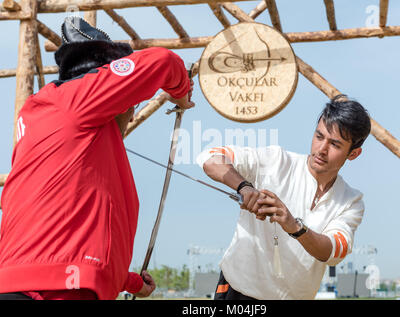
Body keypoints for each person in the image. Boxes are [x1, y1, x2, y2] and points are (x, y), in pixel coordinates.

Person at [0, 16, 194, 300]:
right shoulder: (78, 99)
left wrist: (131, 282)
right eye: (130, 102)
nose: (132, 112)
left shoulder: (35, 114)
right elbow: (163, 61)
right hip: (58, 287)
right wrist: (182, 92)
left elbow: (61, 230)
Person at [196, 95, 370, 299]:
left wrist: (294, 226)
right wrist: (244, 187)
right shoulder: (276, 160)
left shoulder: (351, 201)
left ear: (353, 154)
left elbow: (334, 252)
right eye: (319, 136)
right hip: (237, 292)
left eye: (335, 144)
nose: (321, 150)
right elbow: (210, 158)